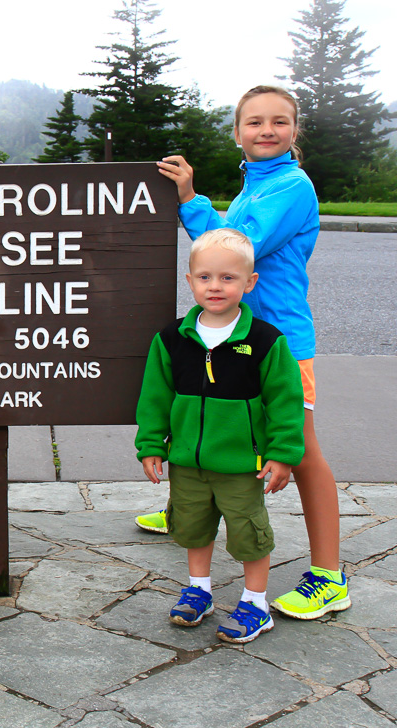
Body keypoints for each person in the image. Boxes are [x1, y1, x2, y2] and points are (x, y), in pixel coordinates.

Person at [139, 84, 351, 620]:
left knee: (301, 451)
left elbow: (234, 245)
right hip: (232, 334)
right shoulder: (258, 184)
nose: (266, 130)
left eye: (279, 121)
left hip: (275, 342)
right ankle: (197, 501)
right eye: (254, 122)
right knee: (210, 416)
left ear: (294, 132)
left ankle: (329, 575)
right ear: (238, 133)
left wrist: (190, 199)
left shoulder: (290, 185)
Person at [136, 228, 305, 643]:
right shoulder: (171, 339)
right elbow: (155, 398)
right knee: (192, 527)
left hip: (241, 465)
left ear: (249, 283)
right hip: (188, 463)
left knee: (249, 533)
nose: (216, 286)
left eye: (228, 278)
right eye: (206, 277)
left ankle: (255, 603)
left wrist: (282, 454)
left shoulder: (265, 341)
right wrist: (152, 445)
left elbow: (286, 401)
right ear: (190, 280)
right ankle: (200, 590)